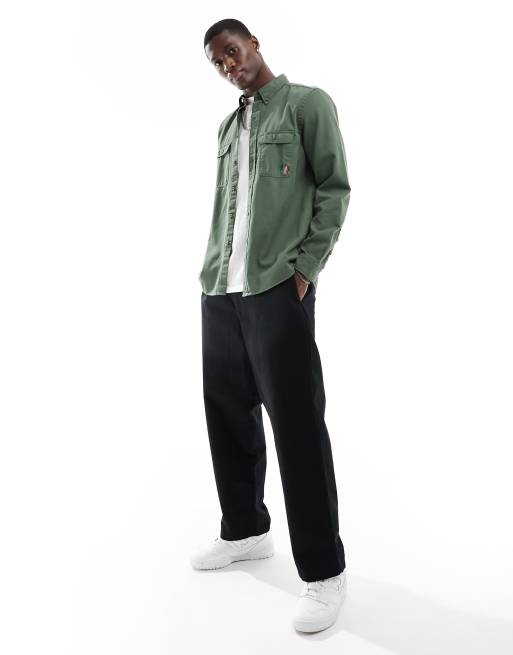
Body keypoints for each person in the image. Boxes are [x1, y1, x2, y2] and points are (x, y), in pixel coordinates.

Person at [191, 18, 351, 633]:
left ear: (254, 43)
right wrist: (212, 275)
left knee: (297, 426)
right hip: (222, 291)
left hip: (277, 289)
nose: (229, 65)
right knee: (228, 415)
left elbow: (334, 189)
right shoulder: (228, 126)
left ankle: (325, 572)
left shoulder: (307, 105)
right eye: (218, 62)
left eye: (232, 52)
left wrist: (305, 269)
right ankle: (245, 530)